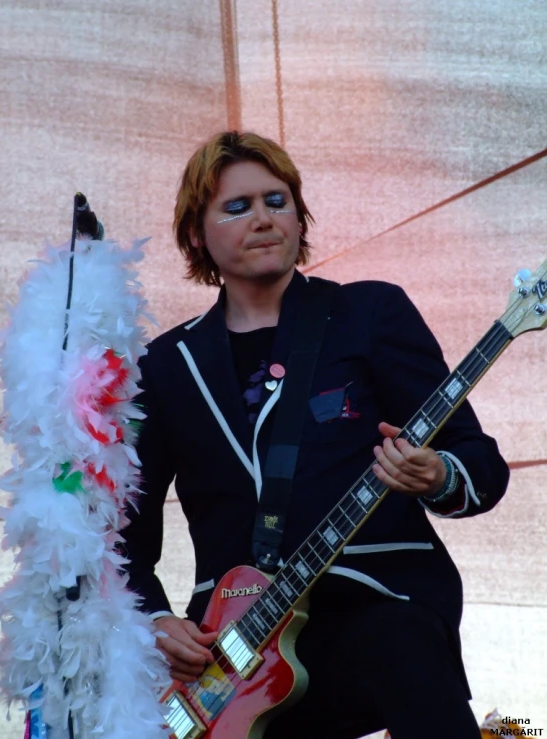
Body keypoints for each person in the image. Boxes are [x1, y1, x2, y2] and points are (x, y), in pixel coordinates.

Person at [120, 130, 510, 738]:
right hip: (232, 653)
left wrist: (438, 475)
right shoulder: (165, 366)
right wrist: (152, 620)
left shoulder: (368, 314)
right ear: (196, 234)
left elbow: (479, 465)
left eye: (277, 201)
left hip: (373, 602)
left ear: (300, 216)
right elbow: (122, 537)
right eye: (237, 206)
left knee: (402, 645)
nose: (263, 219)